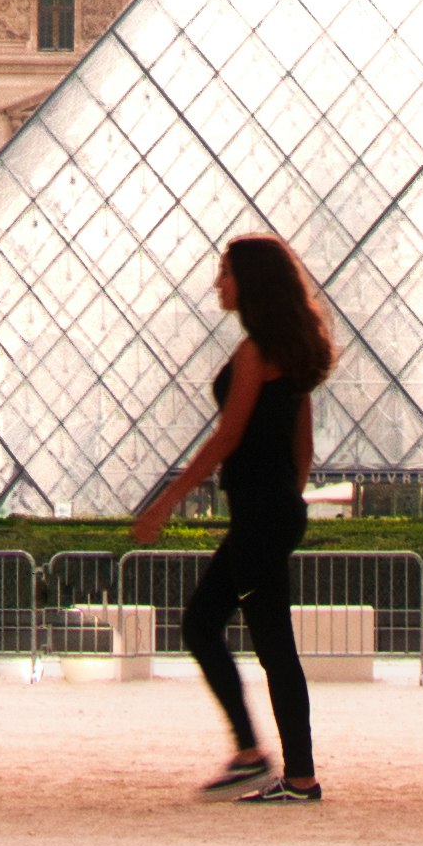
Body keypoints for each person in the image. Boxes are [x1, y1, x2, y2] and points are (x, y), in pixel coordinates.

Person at [132, 233, 332, 804]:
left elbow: (228, 435)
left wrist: (164, 503)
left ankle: (267, 762)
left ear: (251, 281)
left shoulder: (255, 353)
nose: (217, 283)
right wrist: (281, 506)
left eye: (224, 272)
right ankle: (288, 770)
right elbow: (303, 448)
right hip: (274, 512)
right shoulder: (292, 352)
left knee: (210, 627)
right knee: (266, 644)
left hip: (262, 515)